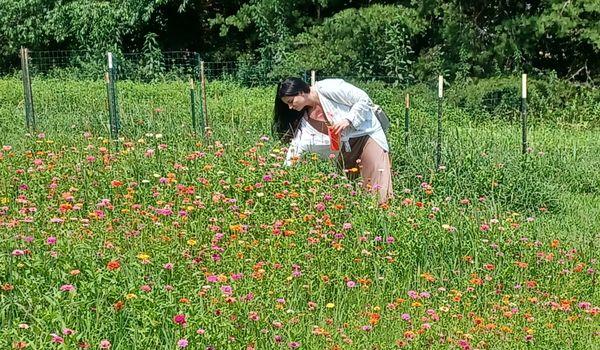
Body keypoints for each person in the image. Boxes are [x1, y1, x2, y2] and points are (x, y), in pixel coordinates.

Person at [273, 77, 393, 204]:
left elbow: (363, 99)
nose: (290, 107)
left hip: (367, 135)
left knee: (378, 185)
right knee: (349, 193)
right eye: (288, 104)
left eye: (291, 101)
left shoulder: (328, 87)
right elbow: (296, 146)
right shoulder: (305, 119)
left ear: (301, 92)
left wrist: (348, 120)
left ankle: (384, 215)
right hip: (345, 148)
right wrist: (283, 174)